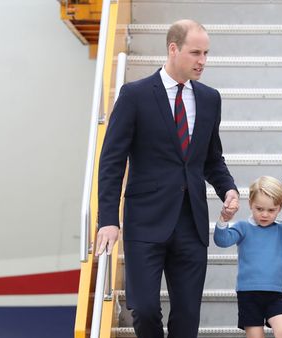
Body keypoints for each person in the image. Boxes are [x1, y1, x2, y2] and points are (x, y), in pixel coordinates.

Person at [95, 19, 240, 338]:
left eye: (206, 53)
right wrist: (108, 218)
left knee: (187, 318)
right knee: (145, 311)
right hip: (145, 223)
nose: (202, 60)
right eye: (195, 53)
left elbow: (211, 157)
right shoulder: (134, 95)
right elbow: (111, 162)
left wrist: (228, 188)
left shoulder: (209, 98)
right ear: (173, 49)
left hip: (191, 223)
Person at [214, 176, 282, 338]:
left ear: (280, 208)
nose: (265, 214)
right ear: (250, 204)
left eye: (271, 210)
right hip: (248, 294)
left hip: (274, 294)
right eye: (259, 209)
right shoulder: (243, 228)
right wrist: (224, 220)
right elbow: (222, 241)